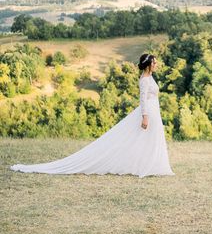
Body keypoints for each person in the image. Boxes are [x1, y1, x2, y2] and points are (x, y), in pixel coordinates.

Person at [10, 54, 174, 178]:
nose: (157, 64)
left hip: (155, 110)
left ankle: (152, 165)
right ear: (148, 65)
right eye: (154, 62)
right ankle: (147, 166)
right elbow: (142, 99)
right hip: (149, 112)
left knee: (151, 139)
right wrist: (144, 116)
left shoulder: (150, 77)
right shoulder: (144, 80)